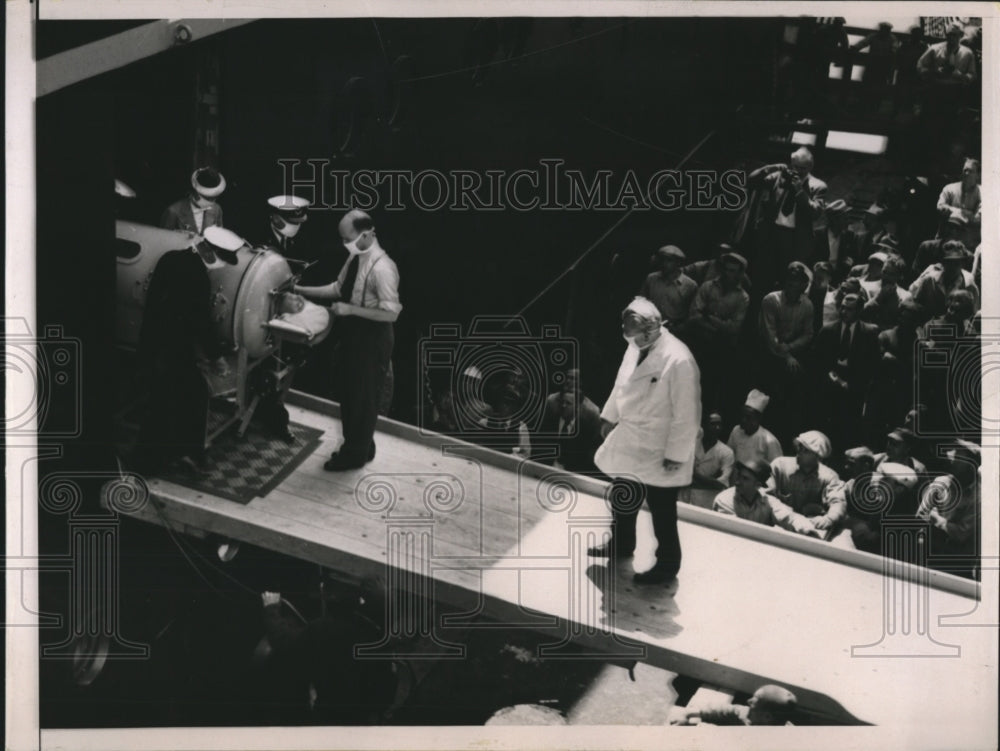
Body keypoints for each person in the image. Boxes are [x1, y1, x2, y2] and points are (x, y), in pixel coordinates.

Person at [589, 297, 700, 586]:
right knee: (622, 494)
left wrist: (676, 454)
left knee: (662, 509)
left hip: (661, 445)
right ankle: (622, 544)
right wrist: (609, 416)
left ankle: (667, 565)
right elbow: (621, 382)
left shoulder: (679, 359)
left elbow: (687, 413)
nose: (633, 341)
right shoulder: (635, 345)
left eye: (637, 336)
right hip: (631, 437)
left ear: (652, 331)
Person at [295, 209, 402, 471]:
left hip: (373, 337)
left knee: (362, 396)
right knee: (350, 391)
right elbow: (337, 288)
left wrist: (350, 310)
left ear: (367, 235)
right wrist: (298, 289)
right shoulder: (355, 257)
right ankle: (364, 445)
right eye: (342, 239)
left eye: (348, 239)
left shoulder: (383, 268)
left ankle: (353, 455)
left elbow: (392, 313)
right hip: (354, 333)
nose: (344, 244)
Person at [131, 228, 238, 473]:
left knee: (177, 398)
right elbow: (198, 320)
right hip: (171, 349)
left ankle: (179, 455)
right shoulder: (196, 276)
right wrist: (216, 357)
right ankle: (152, 462)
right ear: (209, 251)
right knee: (173, 400)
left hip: (157, 345)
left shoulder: (172, 257)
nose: (221, 265)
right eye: (221, 257)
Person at [813, 293, 879, 453]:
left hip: (853, 393)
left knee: (848, 433)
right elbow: (816, 360)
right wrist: (830, 377)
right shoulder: (828, 330)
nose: (844, 312)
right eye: (842, 307)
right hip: (829, 391)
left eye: (849, 309)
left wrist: (852, 385)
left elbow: (873, 365)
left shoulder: (869, 333)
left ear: (859, 311)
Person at [758, 262, 814, 440]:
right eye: (789, 282)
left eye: (796, 283)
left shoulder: (807, 305)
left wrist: (789, 350)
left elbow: (808, 334)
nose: (792, 286)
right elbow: (770, 336)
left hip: (792, 356)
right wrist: (786, 355)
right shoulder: (770, 300)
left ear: (803, 285)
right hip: (770, 355)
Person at [746, 147, 828, 268]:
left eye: (802, 168)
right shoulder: (779, 177)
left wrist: (800, 190)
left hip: (795, 238)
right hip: (770, 233)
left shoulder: (818, 186)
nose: (797, 171)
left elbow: (815, 213)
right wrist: (771, 167)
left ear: (810, 167)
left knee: (786, 274)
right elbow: (751, 180)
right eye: (795, 166)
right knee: (762, 271)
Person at [712, 458, 818, 536]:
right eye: (739, 476)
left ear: (757, 485)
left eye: (745, 479)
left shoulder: (767, 500)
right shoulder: (724, 500)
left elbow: (790, 517)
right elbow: (733, 533)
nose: (738, 482)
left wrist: (808, 531)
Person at [768, 431, 846, 536]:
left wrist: (829, 518)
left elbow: (838, 501)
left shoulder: (830, 477)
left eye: (805, 450)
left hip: (811, 529)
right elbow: (766, 495)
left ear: (818, 456)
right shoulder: (779, 466)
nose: (799, 452)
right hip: (779, 524)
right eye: (799, 447)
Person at [538, 370, 602, 473]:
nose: (568, 381)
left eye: (573, 378)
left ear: (578, 407)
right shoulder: (551, 403)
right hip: (545, 462)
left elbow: (590, 450)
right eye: (567, 377)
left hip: (574, 468)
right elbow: (540, 437)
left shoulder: (592, 415)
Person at [909, 242, 979, 321]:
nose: (952, 267)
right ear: (942, 262)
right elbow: (915, 303)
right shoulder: (929, 280)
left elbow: (973, 313)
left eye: (956, 263)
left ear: (963, 263)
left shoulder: (968, 283)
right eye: (948, 262)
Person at [668, 684, 798, 726]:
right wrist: (687, 713)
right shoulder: (745, 714)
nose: (748, 701)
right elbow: (719, 710)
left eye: (755, 701)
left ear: (767, 717)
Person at [639, 245, 698, 332]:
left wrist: (679, 328)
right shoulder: (651, 278)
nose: (664, 263)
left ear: (678, 263)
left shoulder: (690, 285)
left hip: (675, 331)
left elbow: (693, 314)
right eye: (662, 259)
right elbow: (641, 301)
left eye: (669, 260)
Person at [160, 167, 226, 234]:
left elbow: (219, 235)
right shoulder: (173, 211)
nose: (212, 202)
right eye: (208, 198)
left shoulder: (217, 209)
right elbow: (164, 239)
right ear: (195, 193)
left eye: (214, 198)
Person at [727, 389, 783, 467]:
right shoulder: (736, 431)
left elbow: (777, 469)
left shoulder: (770, 441)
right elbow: (728, 456)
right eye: (742, 415)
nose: (743, 420)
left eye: (748, 417)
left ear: (758, 418)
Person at [935, 158, 981, 250]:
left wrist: (950, 210)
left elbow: (978, 219)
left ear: (978, 175)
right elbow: (940, 207)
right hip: (945, 240)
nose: (966, 173)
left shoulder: (983, 193)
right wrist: (962, 212)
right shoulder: (949, 188)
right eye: (965, 170)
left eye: (971, 171)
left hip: (969, 244)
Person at [861, 254, 911, 331]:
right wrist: (877, 298)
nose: (886, 276)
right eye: (884, 272)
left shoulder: (905, 296)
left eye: (891, 274)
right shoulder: (866, 288)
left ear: (900, 276)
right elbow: (859, 314)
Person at [691, 412, 735, 490]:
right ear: (703, 425)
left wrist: (694, 475)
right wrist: (711, 480)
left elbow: (721, 484)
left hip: (708, 498)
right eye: (713, 424)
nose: (717, 427)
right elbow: (682, 474)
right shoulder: (691, 445)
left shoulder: (727, 453)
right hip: (686, 495)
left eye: (719, 424)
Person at [813, 199, 856, 278]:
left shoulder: (849, 236)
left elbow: (852, 255)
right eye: (844, 218)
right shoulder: (818, 235)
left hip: (840, 277)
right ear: (834, 220)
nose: (848, 222)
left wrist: (849, 261)